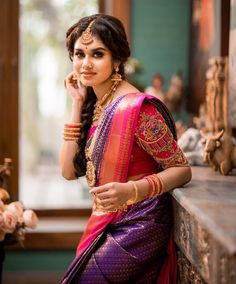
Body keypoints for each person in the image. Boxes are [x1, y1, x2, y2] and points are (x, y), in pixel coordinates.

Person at [60, 14, 192, 284]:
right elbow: (67, 171)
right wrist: (75, 103)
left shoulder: (139, 110)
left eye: (97, 54)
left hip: (139, 226)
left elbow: (182, 169)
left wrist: (132, 190)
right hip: (104, 221)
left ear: (117, 60)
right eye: (79, 54)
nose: (85, 64)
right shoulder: (95, 105)